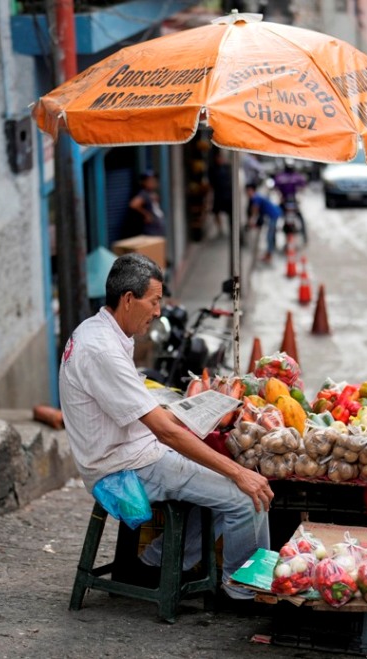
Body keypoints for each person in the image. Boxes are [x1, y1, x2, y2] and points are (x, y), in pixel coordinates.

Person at [58, 253, 272, 605]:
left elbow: (144, 412)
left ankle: (158, 561)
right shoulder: (102, 350)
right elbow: (165, 433)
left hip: (129, 449)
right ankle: (244, 589)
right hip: (126, 465)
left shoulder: (97, 330)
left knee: (221, 473)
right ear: (129, 299)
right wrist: (238, 474)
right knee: (247, 496)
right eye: (154, 301)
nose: (158, 311)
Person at [246, 183, 283, 262]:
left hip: (273, 215)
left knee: (269, 236)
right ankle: (270, 251)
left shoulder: (256, 198)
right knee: (271, 234)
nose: (247, 194)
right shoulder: (258, 196)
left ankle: (269, 254)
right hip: (274, 214)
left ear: (251, 191)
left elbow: (255, 210)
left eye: (248, 191)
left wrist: (251, 221)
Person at [127, 170, 165, 237]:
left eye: (154, 180)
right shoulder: (143, 194)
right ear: (144, 182)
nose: (153, 182)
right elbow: (133, 205)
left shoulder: (152, 193)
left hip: (157, 228)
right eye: (150, 181)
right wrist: (146, 214)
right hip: (151, 230)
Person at [209, 149, 233, 239]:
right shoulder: (213, 169)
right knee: (216, 212)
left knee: (230, 212)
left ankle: (230, 228)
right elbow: (211, 183)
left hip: (227, 193)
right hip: (218, 193)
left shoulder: (227, 167)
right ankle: (220, 229)